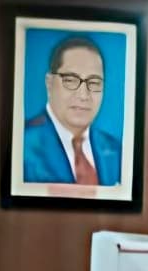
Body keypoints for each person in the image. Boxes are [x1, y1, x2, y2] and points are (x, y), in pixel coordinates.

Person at [17, 33, 124, 189]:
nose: (83, 95)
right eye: (71, 80)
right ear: (49, 83)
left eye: (94, 82)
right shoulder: (21, 146)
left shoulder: (117, 151)